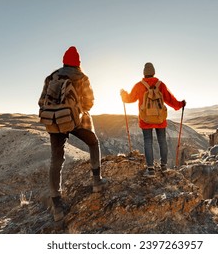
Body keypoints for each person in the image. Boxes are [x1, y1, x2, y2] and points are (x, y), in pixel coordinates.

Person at [38, 46, 106, 221]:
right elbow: (90, 101)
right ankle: (97, 182)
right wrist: (78, 111)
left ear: (63, 61)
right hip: (77, 120)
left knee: (56, 160)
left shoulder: (51, 77)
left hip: (55, 123)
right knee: (93, 143)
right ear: (78, 63)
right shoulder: (82, 77)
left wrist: (57, 114)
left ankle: (57, 205)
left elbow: (41, 101)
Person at [120, 62, 186, 177]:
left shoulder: (139, 85)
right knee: (162, 141)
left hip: (145, 119)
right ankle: (164, 167)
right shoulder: (161, 85)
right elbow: (170, 100)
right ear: (154, 72)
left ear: (144, 73)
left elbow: (129, 99)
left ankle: (150, 170)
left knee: (148, 141)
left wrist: (123, 94)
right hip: (160, 119)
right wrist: (180, 104)